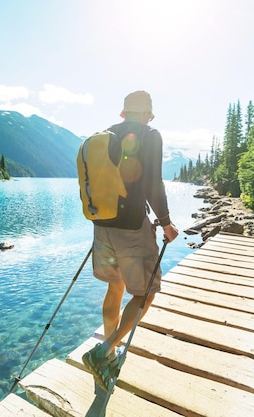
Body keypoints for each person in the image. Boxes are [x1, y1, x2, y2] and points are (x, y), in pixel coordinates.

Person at [81, 90, 179, 391]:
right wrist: (166, 222)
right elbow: (153, 183)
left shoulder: (105, 136)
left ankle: (109, 352)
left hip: (102, 226)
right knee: (146, 293)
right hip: (132, 228)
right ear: (148, 113)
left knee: (116, 285)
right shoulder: (150, 135)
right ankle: (105, 349)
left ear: (124, 112)